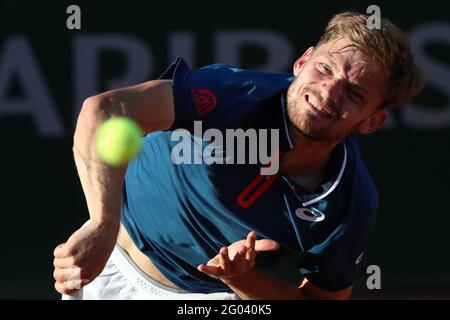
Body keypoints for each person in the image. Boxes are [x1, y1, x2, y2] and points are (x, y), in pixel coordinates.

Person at [53, 11, 424, 300]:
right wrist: (102, 224)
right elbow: (105, 111)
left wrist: (243, 279)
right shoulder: (235, 92)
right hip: (105, 262)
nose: (329, 92)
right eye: (324, 68)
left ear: (372, 121)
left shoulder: (351, 204)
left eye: (355, 93)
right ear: (302, 62)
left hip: (209, 297)